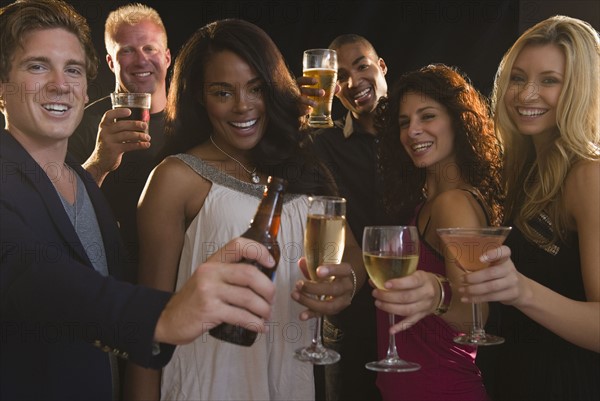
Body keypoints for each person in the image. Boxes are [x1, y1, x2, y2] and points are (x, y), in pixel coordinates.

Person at [0, 1, 278, 399]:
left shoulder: (83, 184)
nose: (61, 84)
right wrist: (164, 316)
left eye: (73, 69)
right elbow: (34, 276)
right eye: (37, 66)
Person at [124, 18, 365, 401]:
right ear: (199, 97)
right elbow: (147, 319)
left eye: (256, 88)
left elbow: (351, 253)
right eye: (223, 92)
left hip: (291, 380)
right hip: (205, 384)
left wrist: (346, 282)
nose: (243, 106)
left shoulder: (302, 164)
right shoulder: (174, 178)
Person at [463, 15, 600, 400]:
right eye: (519, 78)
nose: (526, 95)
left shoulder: (590, 176)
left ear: (579, 88)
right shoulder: (521, 168)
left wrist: (521, 290)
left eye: (550, 81)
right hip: (513, 376)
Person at [372, 64, 504, 400]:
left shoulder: (454, 203)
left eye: (427, 116)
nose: (413, 131)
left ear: (458, 122)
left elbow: (476, 316)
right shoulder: (430, 202)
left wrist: (438, 294)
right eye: (404, 123)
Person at [300, 34, 390, 401]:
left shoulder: (417, 134)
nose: (354, 82)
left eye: (362, 66)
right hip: (351, 317)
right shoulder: (322, 144)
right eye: (342, 75)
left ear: (381, 66)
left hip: (413, 312)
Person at [68, 3, 172, 282]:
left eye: (149, 48)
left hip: (179, 279)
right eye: (126, 50)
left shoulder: (194, 118)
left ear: (167, 57)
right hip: (106, 283)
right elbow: (56, 213)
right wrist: (99, 163)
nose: (140, 60)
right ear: (111, 62)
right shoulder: (77, 122)